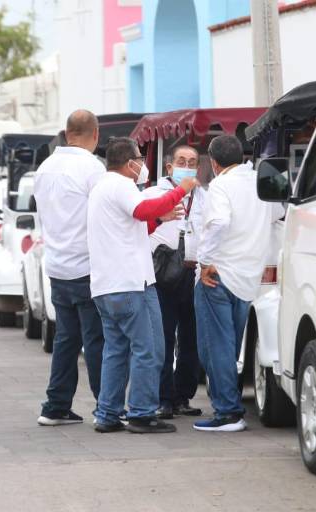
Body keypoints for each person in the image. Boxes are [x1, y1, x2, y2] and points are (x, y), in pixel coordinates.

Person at [88, 137, 196, 434]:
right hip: (131, 283)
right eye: (139, 158)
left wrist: (159, 220)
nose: (143, 164)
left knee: (116, 350)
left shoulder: (101, 187)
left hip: (108, 285)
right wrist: (181, 191)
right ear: (130, 163)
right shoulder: (121, 185)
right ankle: (141, 412)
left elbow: (133, 226)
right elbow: (144, 210)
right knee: (149, 349)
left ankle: (108, 413)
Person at [193, 135, 284, 432]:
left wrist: (204, 261)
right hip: (247, 278)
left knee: (214, 347)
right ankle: (228, 406)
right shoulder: (259, 181)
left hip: (218, 275)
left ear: (214, 162)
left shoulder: (221, 185)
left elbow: (219, 222)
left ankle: (228, 413)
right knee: (228, 347)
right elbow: (278, 213)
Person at [34, 110, 106, 426]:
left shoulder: (45, 167)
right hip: (86, 266)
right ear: (95, 135)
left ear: (66, 133)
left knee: (66, 339)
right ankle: (106, 407)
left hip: (56, 265)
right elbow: (104, 215)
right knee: (96, 340)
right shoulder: (92, 167)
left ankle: (56, 406)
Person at [143, 145, 203, 420]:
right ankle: (163, 397)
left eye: (192, 162)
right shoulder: (153, 194)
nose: (186, 167)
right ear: (169, 167)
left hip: (194, 273)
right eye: (181, 161)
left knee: (191, 339)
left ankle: (183, 395)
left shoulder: (204, 196)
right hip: (164, 273)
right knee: (164, 337)